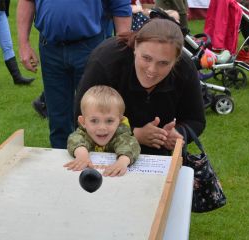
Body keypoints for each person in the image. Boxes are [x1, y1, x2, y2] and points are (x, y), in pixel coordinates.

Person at [75, 18, 206, 156]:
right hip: (105, 155)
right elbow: (81, 119)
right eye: (146, 58)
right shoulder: (105, 62)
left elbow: (196, 119)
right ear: (136, 46)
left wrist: (177, 133)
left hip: (158, 156)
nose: (152, 70)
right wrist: (134, 134)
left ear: (176, 60)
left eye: (163, 63)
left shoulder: (185, 69)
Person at [17, 0, 132, 149]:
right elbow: (27, 1)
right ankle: (62, 165)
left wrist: (120, 52)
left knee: (98, 112)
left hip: (90, 46)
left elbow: (120, 6)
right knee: (57, 117)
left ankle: (95, 167)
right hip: (50, 47)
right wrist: (23, 44)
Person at [65, 85, 141, 177]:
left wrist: (123, 161)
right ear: (83, 122)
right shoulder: (85, 133)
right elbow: (75, 138)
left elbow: (131, 144)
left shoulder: (120, 134)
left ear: (119, 121)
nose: (102, 127)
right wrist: (82, 155)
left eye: (109, 121)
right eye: (94, 121)